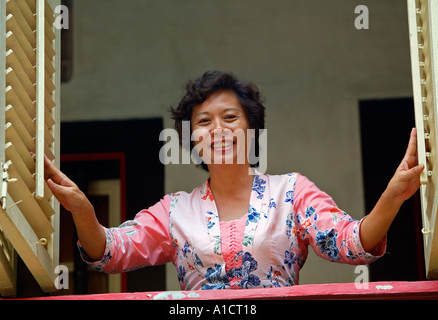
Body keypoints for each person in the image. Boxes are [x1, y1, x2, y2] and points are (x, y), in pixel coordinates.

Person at [44, 71, 424, 290]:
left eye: (230, 118)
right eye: (204, 122)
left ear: (251, 130)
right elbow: (110, 252)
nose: (218, 130)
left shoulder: (291, 192)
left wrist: (392, 196)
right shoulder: (174, 210)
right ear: (192, 140)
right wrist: (82, 211)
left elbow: (351, 242)